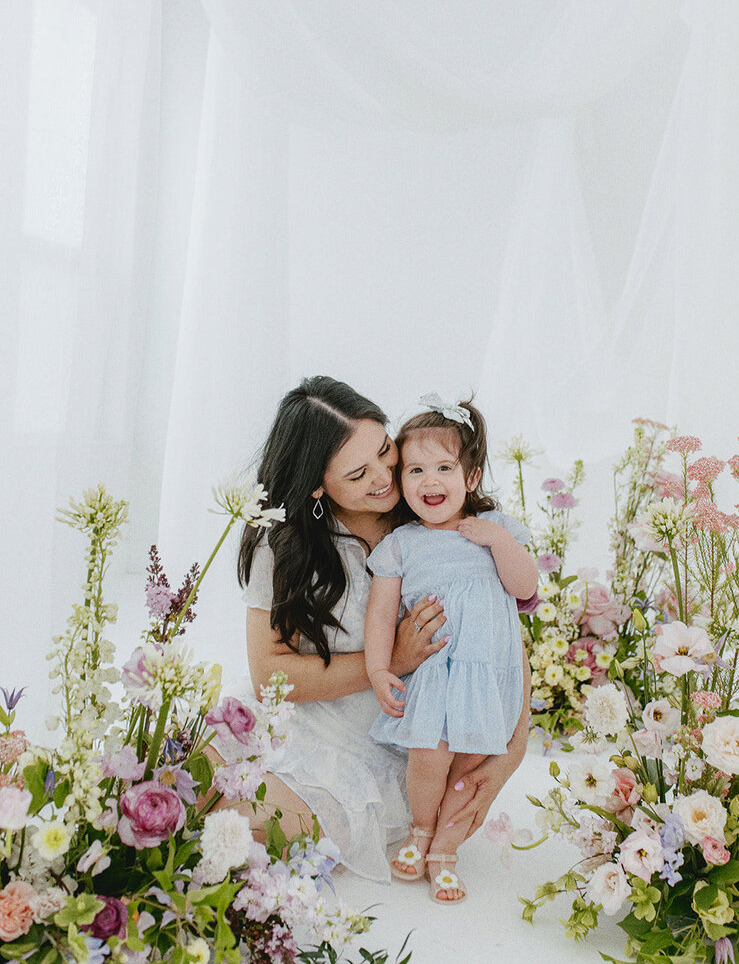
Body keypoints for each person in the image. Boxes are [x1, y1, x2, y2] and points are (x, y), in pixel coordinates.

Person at [219, 376, 531, 884]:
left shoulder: (436, 511)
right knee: (188, 799)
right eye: (359, 472)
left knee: (251, 833)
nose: (387, 476)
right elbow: (270, 675)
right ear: (318, 484)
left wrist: (512, 749)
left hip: (400, 747)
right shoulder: (282, 548)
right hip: (308, 724)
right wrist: (393, 662)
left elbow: (500, 635)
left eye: (386, 450)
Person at [363, 397, 538, 902]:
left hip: (489, 674)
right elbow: (381, 613)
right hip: (437, 675)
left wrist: (498, 542)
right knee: (428, 757)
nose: (429, 480)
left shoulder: (498, 529)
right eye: (416, 469)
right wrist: (378, 669)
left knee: (472, 766)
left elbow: (524, 587)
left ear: (472, 477)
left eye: (444, 467)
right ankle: (421, 828)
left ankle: (446, 848)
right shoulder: (401, 544)